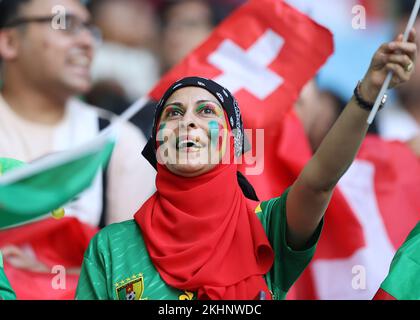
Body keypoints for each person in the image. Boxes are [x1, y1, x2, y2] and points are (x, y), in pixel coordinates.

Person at [76, 29, 417, 300]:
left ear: (234, 143)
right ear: (156, 145)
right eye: (173, 113)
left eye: (207, 112)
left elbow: (319, 182)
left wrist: (368, 93)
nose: (187, 122)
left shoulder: (267, 227)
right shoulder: (109, 248)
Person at [0, 0, 155, 299]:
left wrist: (46, 274)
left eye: (89, 29)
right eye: (65, 25)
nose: (86, 42)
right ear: (8, 41)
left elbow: (129, 274)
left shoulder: (117, 140)